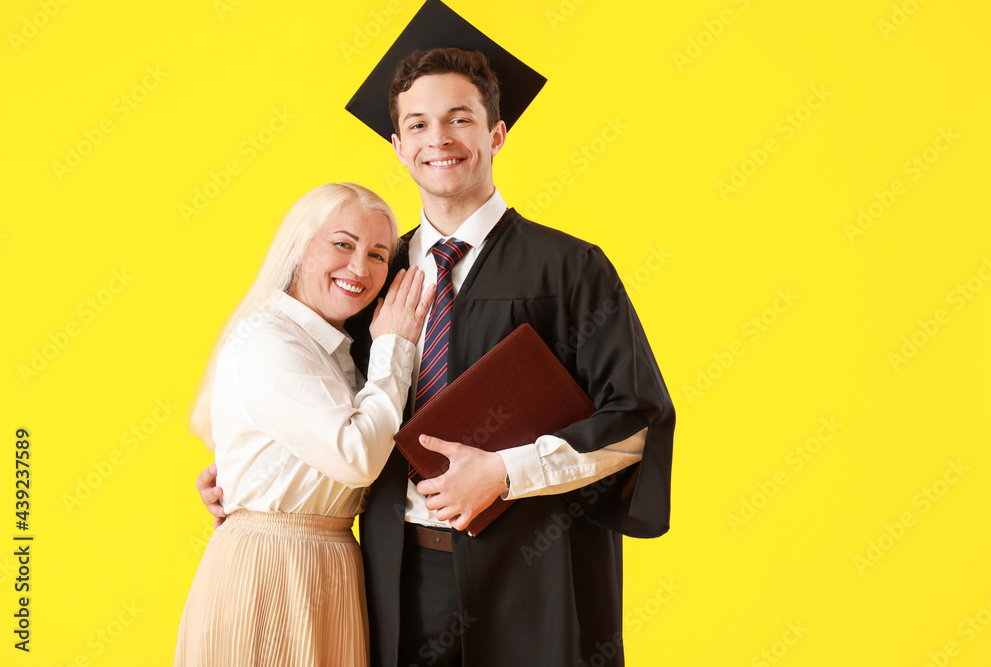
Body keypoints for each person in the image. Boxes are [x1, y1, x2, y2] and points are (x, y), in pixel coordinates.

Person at [199, 3, 675, 665]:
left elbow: (637, 423)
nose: (439, 138)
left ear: (497, 132)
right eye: (418, 123)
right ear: (397, 146)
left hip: (534, 575)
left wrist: (505, 472)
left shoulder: (568, 268)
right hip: (393, 581)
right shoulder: (373, 277)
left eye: (461, 118)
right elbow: (329, 402)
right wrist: (257, 474)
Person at [176, 182, 433, 666]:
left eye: (379, 255)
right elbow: (355, 456)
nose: (360, 268)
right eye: (343, 244)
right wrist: (395, 346)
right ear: (298, 247)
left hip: (327, 564)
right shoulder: (270, 338)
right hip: (273, 570)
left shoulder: (333, 345)